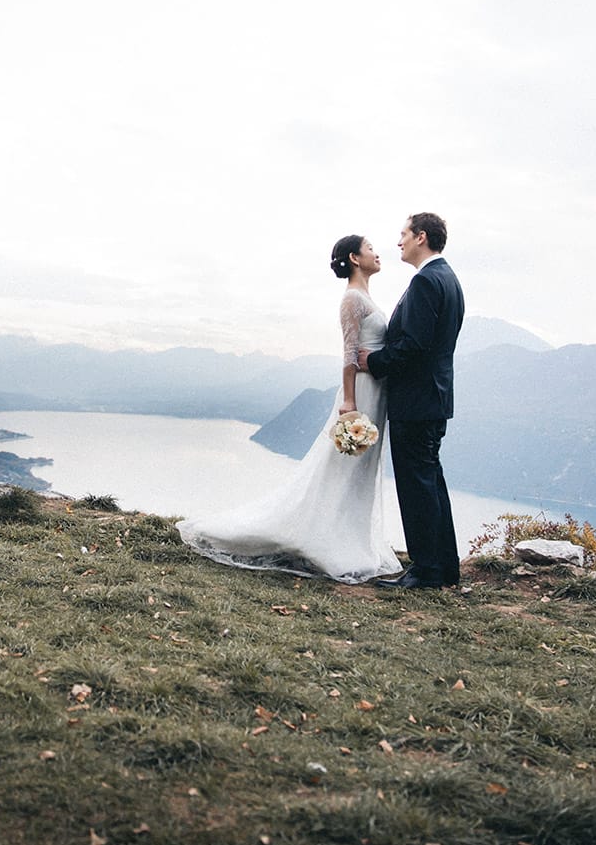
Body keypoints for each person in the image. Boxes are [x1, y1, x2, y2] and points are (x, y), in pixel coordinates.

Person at [176, 235, 402, 583]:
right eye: (370, 248)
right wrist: (349, 401)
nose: (377, 252)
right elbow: (348, 353)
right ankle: (323, 539)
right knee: (341, 468)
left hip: (377, 390)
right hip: (360, 392)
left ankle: (351, 541)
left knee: (361, 470)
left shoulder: (367, 297)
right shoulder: (352, 299)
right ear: (355, 258)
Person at [358, 212, 465, 590]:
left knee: (417, 485)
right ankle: (444, 566)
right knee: (430, 482)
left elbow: (414, 345)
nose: (398, 241)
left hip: (416, 401)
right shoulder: (449, 280)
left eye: (403, 234)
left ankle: (425, 570)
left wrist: (374, 361)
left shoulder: (425, 282)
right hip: (434, 398)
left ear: (421, 237)